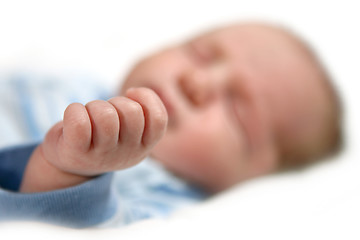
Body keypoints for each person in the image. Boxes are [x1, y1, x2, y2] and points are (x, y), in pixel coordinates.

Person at [0, 22, 342, 227]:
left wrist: (73, 170)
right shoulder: (75, 77)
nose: (196, 81)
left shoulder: (164, 196)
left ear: (250, 179)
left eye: (237, 111)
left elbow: (92, 226)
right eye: (199, 53)